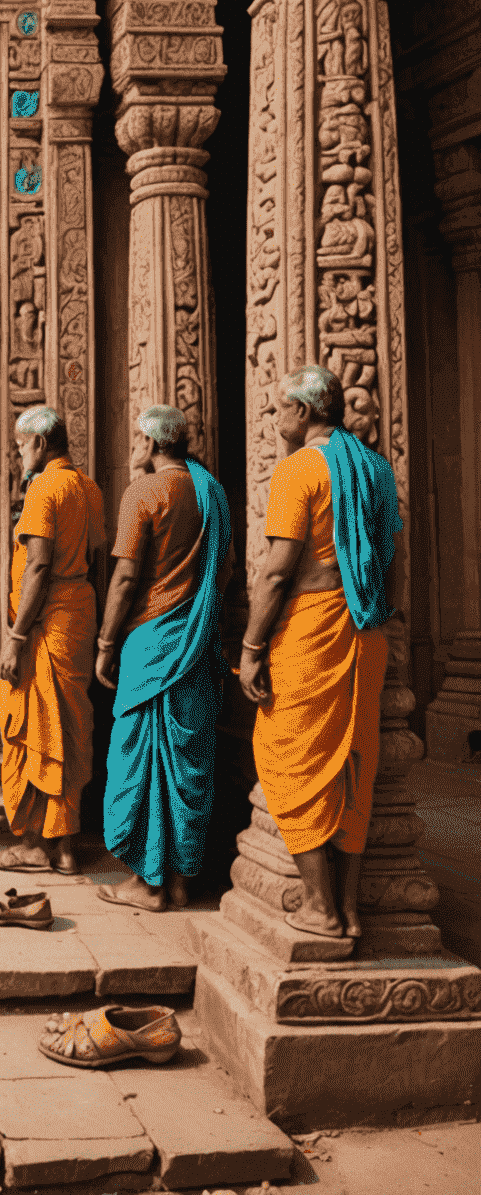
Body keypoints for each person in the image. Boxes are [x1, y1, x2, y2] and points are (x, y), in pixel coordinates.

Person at [238, 364, 400, 941]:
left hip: (312, 627)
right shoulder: (376, 469)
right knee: (354, 764)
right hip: (367, 630)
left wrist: (253, 646)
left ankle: (320, 907)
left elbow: (278, 573)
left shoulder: (300, 470)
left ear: (303, 413)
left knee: (289, 756)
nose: (274, 416)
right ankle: (349, 908)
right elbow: (392, 562)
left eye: (279, 407)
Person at [95, 406, 232, 911]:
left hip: (150, 644)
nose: (134, 447)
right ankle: (178, 882)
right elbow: (227, 569)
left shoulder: (144, 492)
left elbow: (127, 577)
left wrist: (106, 643)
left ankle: (147, 884)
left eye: (137, 437)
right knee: (186, 764)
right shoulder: (211, 492)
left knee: (144, 762)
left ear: (151, 443)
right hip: (195, 645)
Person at [0, 405, 106, 876]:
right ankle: (64, 847)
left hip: (45, 619)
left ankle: (39, 845)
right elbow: (98, 558)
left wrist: (17, 635)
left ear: (39, 443)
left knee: (41, 731)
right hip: (78, 613)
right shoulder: (90, 488)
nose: (19, 454)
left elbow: (38, 564)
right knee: (68, 729)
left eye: (20, 445)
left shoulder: (45, 487)